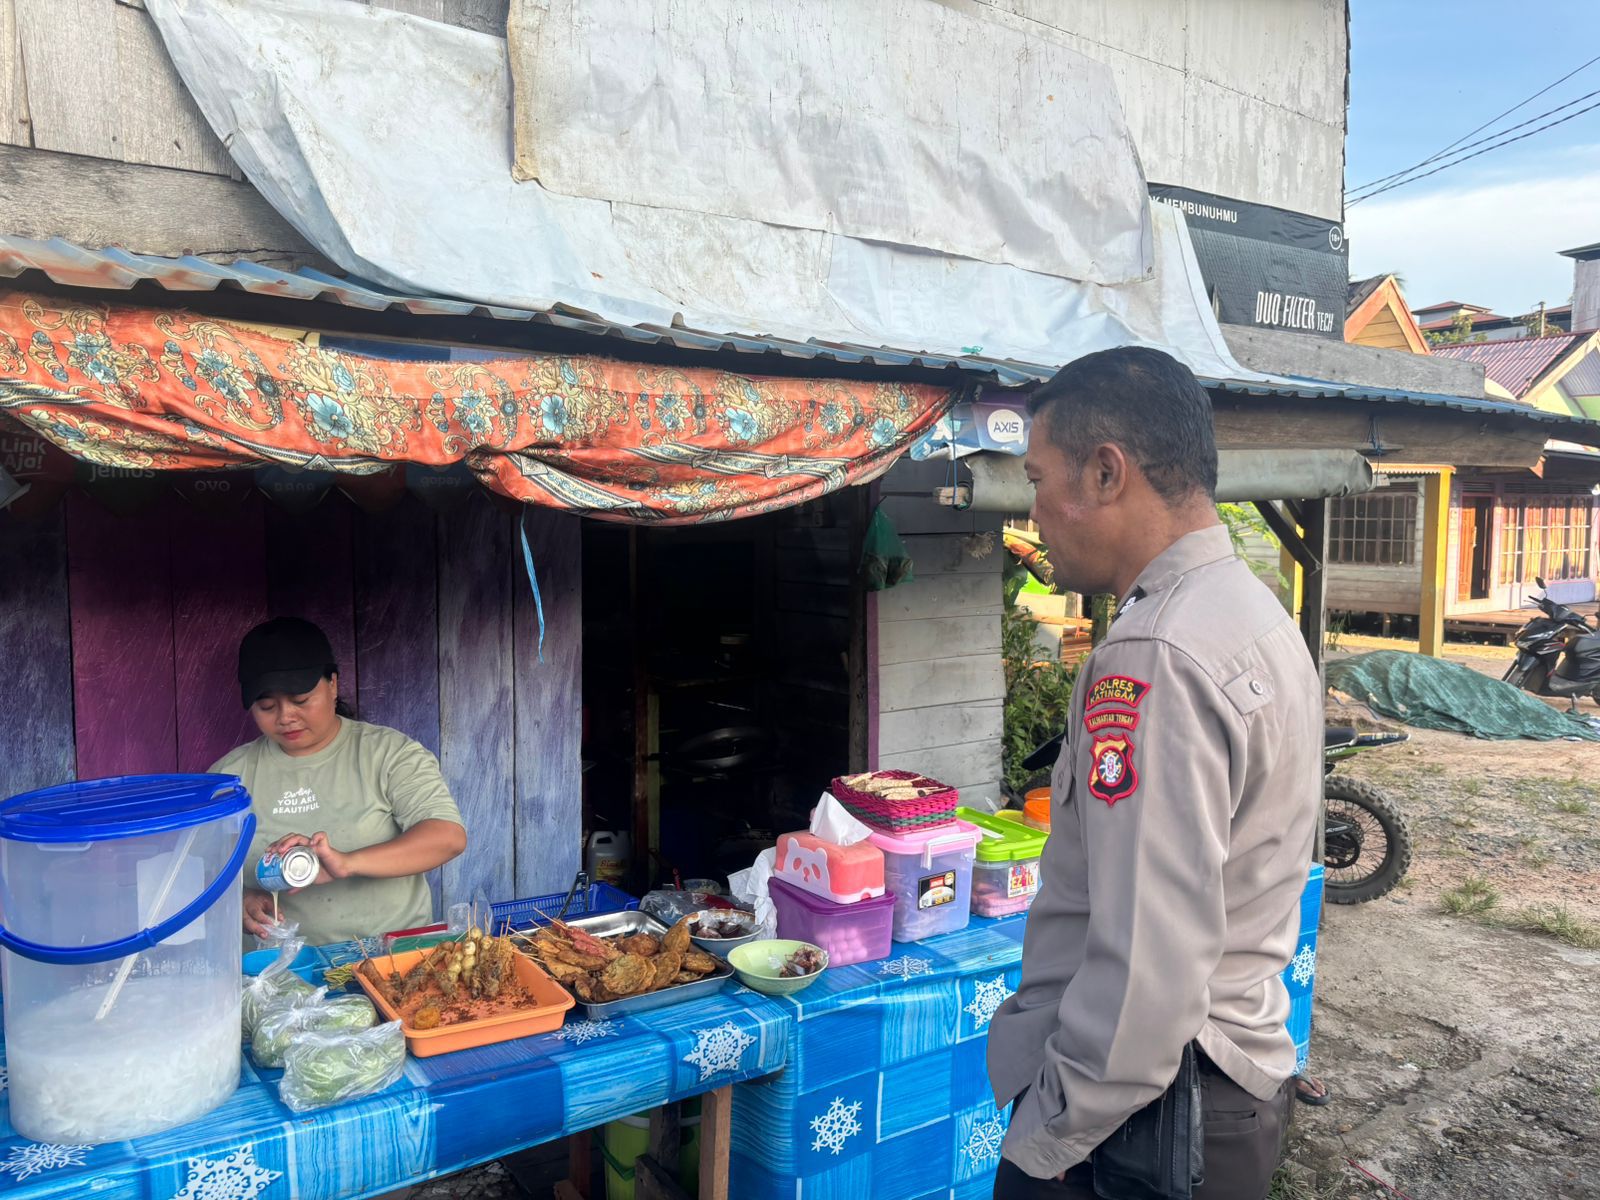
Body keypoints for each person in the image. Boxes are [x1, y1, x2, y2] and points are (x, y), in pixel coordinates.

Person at [986, 347, 1321, 1199]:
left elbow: (1148, 964)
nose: (1033, 511)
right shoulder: (1249, 612)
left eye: (1037, 479)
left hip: (1146, 1122)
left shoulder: (1156, 653)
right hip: (1212, 1091)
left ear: (1106, 473)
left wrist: (1050, 1137)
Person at [212, 616, 468, 947]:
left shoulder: (388, 753)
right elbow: (193, 875)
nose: (286, 716)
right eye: (267, 706)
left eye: (301, 700)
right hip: (280, 978)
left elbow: (447, 837)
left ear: (333, 683)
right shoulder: (228, 779)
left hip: (391, 960)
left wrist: (345, 863)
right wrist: (239, 899)